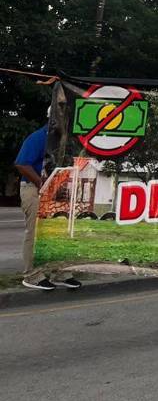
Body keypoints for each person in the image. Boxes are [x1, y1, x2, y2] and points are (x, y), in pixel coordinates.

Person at [13, 116, 81, 292]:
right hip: (34, 188)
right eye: (63, 118)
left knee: (58, 233)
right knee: (36, 233)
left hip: (56, 190)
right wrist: (43, 185)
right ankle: (32, 275)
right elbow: (21, 164)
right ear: (52, 119)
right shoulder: (38, 137)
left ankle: (60, 273)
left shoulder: (62, 141)